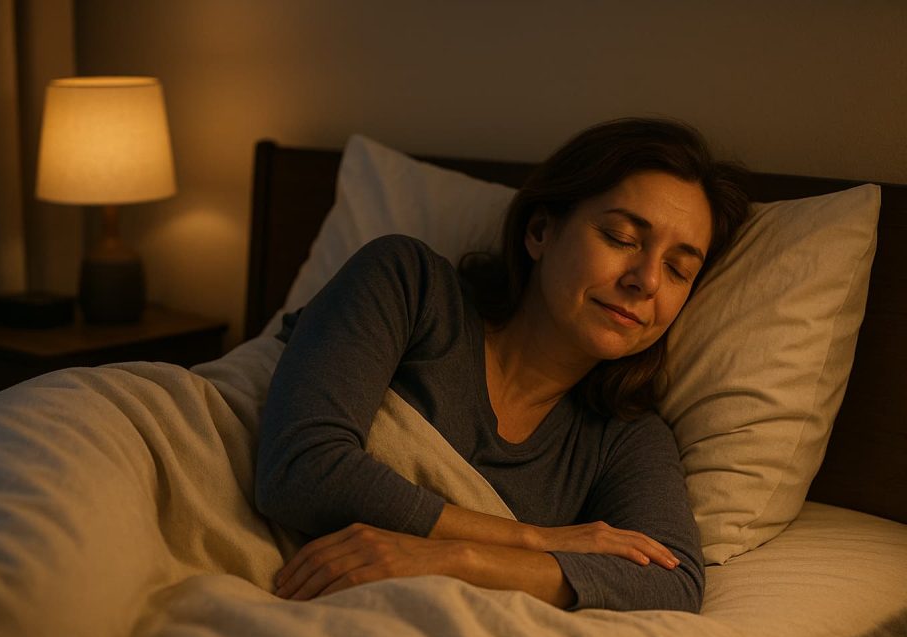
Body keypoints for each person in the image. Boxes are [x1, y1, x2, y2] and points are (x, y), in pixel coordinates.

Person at [255, 118, 749, 612]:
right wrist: (533, 540)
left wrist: (458, 560)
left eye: (678, 269)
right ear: (540, 231)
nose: (646, 281)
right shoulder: (411, 286)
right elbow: (301, 469)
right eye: (622, 238)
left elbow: (673, 582)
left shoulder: (623, 439)